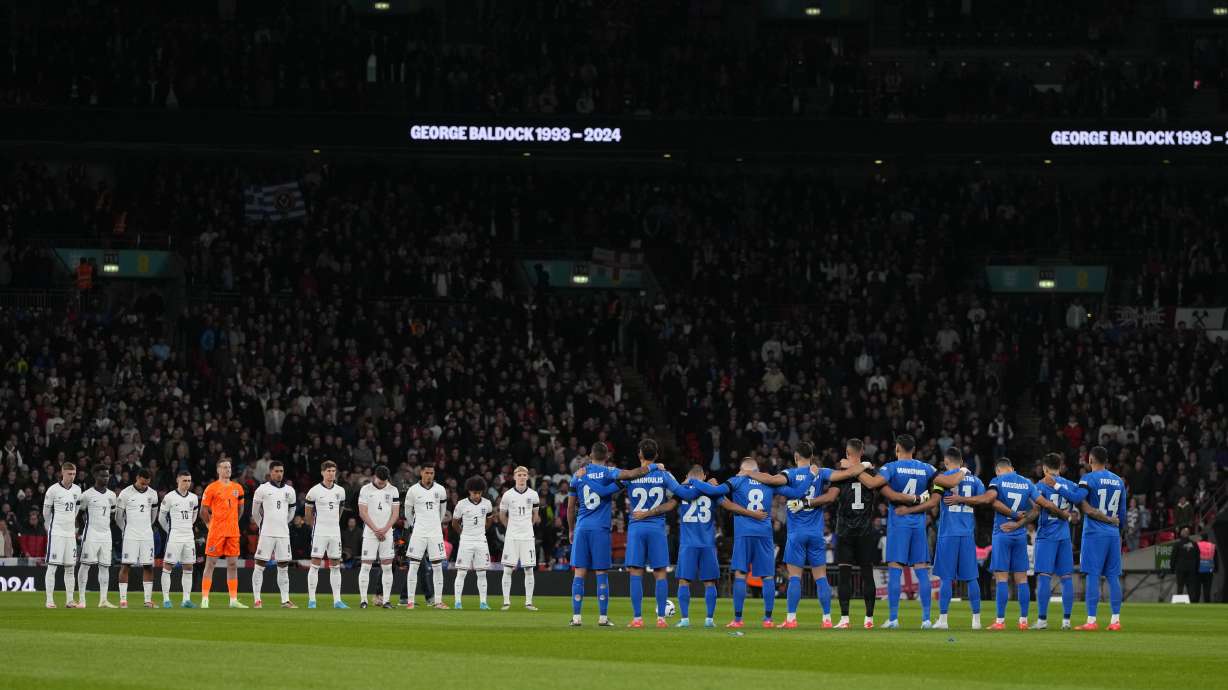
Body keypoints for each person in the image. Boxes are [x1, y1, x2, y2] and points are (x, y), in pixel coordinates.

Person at [856, 434, 969, 629]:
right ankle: (926, 619)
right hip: (918, 524)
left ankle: (893, 619)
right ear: (914, 450)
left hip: (898, 522)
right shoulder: (926, 468)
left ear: (897, 449)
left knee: (894, 571)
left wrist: (855, 470)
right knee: (922, 571)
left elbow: (872, 484)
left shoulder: (890, 467)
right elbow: (950, 483)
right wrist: (963, 471)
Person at [750, 440, 865, 628]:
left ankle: (791, 619)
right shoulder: (821, 472)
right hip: (816, 532)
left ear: (796, 457)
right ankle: (827, 619)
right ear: (811, 457)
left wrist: (749, 473)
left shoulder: (790, 473)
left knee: (795, 576)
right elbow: (848, 473)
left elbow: (772, 481)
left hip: (796, 533)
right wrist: (865, 465)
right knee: (821, 577)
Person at [719, 456, 818, 628]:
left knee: (740, 575)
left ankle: (737, 619)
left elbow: (717, 494)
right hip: (764, 533)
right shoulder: (768, 483)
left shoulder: (736, 481)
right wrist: (810, 476)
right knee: (768, 576)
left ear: (743, 469)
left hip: (744, 533)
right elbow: (797, 493)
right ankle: (768, 619)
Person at [566, 441, 656, 626]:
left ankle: (576, 617)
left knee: (579, 572)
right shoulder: (609, 472)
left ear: (591, 455)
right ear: (606, 457)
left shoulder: (577, 476)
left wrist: (571, 529)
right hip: (600, 529)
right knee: (601, 573)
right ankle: (603, 617)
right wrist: (653, 466)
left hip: (582, 527)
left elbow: (569, 508)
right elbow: (632, 474)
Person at [897, 448, 984, 630]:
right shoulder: (975, 480)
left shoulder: (942, 479)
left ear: (946, 462)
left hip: (948, 534)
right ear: (961, 461)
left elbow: (934, 502)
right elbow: (984, 500)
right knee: (971, 578)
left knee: (946, 577)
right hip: (967, 533)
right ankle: (976, 621)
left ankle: (943, 620)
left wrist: (911, 508)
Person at [651, 464, 737, 628]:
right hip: (707, 544)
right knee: (710, 583)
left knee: (684, 582)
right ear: (703, 476)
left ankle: (684, 620)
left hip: (688, 544)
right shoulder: (711, 490)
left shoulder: (681, 491)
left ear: (688, 475)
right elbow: (727, 504)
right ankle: (709, 620)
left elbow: (669, 505)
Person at [623, 439, 682, 628]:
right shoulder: (664, 474)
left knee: (635, 573)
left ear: (639, 454)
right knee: (661, 574)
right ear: (656, 455)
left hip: (636, 527)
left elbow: (607, 488)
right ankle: (661, 619)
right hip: (657, 528)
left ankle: (637, 618)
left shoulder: (630, 475)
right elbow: (680, 495)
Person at [1032, 453, 1096, 629]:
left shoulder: (1040, 485)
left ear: (1045, 468)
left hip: (1046, 536)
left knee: (1044, 577)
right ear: (1060, 468)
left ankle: (1042, 620)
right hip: (1064, 536)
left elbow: (1035, 508)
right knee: (1067, 578)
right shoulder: (1069, 485)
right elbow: (1081, 501)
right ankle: (1066, 621)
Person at [1074, 445, 1125, 630]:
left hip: (1094, 533)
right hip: (1113, 534)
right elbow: (1123, 512)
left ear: (1090, 460)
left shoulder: (1088, 478)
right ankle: (1115, 620)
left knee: (1093, 575)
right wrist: (1119, 533)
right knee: (1113, 576)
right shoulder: (1119, 481)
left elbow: (1078, 499)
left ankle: (1091, 620)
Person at [832, 438, 881, 629]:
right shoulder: (871, 473)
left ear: (847, 453)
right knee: (867, 574)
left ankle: (845, 619)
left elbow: (831, 496)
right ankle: (869, 619)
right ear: (862, 452)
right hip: (865, 531)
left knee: (844, 575)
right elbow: (876, 487)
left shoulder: (841, 473)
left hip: (844, 530)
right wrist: (864, 466)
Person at [200, 457, 247, 608]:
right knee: (210, 564)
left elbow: (240, 509)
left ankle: (233, 600)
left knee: (232, 564)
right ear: (218, 470)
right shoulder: (212, 488)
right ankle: (205, 598)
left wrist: (233, 522)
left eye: (229, 467)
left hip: (233, 532)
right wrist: (210, 525)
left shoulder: (238, 488)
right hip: (216, 532)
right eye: (225, 467)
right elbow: (203, 511)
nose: (228, 470)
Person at [251, 460, 297, 608]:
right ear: (270, 472)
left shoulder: (290, 490)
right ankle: (257, 600)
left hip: (283, 533)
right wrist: (261, 525)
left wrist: (284, 522)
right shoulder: (262, 489)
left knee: (283, 566)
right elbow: (255, 512)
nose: (279, 474)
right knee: (259, 565)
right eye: (276, 471)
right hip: (267, 533)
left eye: (281, 471)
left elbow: (292, 511)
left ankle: (285, 600)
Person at [404, 465, 450, 609]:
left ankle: (438, 601)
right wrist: (414, 525)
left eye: (432, 473)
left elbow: (442, 511)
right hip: (419, 532)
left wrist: (436, 523)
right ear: (421, 473)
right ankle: (410, 601)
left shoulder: (440, 490)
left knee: (437, 567)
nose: (429, 475)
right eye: (427, 472)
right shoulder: (413, 490)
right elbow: (407, 512)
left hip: (435, 533)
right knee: (413, 566)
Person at [304, 460, 348, 609]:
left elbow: (340, 510)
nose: (331, 473)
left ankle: (337, 600)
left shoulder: (340, 491)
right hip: (320, 532)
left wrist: (334, 522)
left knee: (335, 565)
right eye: (328, 471)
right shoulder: (314, 491)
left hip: (335, 532)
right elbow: (308, 514)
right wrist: (315, 527)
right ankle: (312, 600)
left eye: (333, 471)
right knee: (315, 564)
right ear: (322, 472)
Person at [357, 464, 400, 608]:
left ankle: (386, 600)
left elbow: (395, 513)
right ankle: (363, 600)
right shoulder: (365, 489)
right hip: (370, 532)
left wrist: (385, 529)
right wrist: (376, 530)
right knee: (366, 566)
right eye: (380, 481)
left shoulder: (393, 490)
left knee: (387, 567)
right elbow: (362, 512)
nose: (383, 484)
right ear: (374, 477)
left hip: (387, 533)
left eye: (385, 481)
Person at [497, 466, 539, 611]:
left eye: (524, 475)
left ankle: (528, 602)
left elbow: (535, 514)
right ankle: (506, 602)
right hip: (512, 536)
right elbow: (502, 514)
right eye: (519, 475)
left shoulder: (533, 494)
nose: (521, 477)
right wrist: (511, 528)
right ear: (514, 477)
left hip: (527, 536)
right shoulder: (508, 495)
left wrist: (528, 527)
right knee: (508, 569)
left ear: (527, 477)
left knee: (529, 570)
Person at [116, 468, 159, 608]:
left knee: (148, 566)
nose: (144, 486)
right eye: (142, 483)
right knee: (126, 565)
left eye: (147, 484)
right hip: (130, 534)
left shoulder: (153, 494)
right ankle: (123, 600)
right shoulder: (125, 493)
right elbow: (118, 517)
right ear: (137, 478)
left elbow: (153, 515)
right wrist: (125, 529)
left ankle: (147, 600)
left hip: (146, 535)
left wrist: (146, 527)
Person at [158, 470, 200, 608]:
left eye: (189, 481)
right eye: (184, 480)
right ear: (178, 480)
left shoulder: (193, 498)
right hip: (175, 535)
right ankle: (166, 599)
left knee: (188, 566)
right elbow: (161, 518)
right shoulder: (169, 497)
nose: (187, 483)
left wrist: (188, 526)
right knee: (168, 565)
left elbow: (194, 515)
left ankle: (186, 600)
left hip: (188, 535)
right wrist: (170, 530)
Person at [76, 465, 116, 608]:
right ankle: (82, 600)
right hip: (91, 534)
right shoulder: (86, 495)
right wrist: (80, 529)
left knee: (105, 567)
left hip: (106, 534)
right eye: (102, 475)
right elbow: (79, 513)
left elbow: (112, 514)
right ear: (95, 476)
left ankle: (103, 600)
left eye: (107, 475)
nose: (105, 478)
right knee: (85, 565)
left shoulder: (112, 495)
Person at [43, 461, 81, 609]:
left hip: (70, 534)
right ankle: (50, 600)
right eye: (69, 474)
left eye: (74, 474)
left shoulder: (77, 490)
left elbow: (76, 509)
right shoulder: (52, 490)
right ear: (62, 473)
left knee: (70, 567)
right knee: (52, 566)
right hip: (57, 533)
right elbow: (46, 513)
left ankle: (70, 600)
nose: (72, 477)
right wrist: (49, 527)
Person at [452, 476, 494, 609]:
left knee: (482, 573)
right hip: (466, 541)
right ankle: (458, 602)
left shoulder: (487, 503)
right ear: (469, 491)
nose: (476, 495)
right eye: (474, 493)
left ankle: (483, 602)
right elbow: (454, 523)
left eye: (479, 493)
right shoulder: (461, 504)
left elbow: (490, 520)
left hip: (481, 540)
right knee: (462, 572)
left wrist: (481, 531)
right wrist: (463, 534)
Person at [1173, 527, 1201, 600]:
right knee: (1191, 587)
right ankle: (1192, 604)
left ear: (1182, 535)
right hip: (1191, 569)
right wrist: (1197, 568)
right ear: (1188, 535)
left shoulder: (1177, 544)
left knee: (1180, 587)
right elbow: (1198, 557)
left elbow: (1173, 557)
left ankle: (1179, 603)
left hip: (1180, 569)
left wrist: (1172, 568)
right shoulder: (1194, 544)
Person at [1196, 532, 1216, 603]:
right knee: (1207, 589)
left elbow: (1194, 557)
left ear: (1201, 538)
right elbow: (1215, 558)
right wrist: (1216, 569)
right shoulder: (1212, 546)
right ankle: (1207, 603)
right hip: (1208, 569)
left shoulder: (1196, 545)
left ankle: (1196, 604)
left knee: (1197, 589)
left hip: (1198, 570)